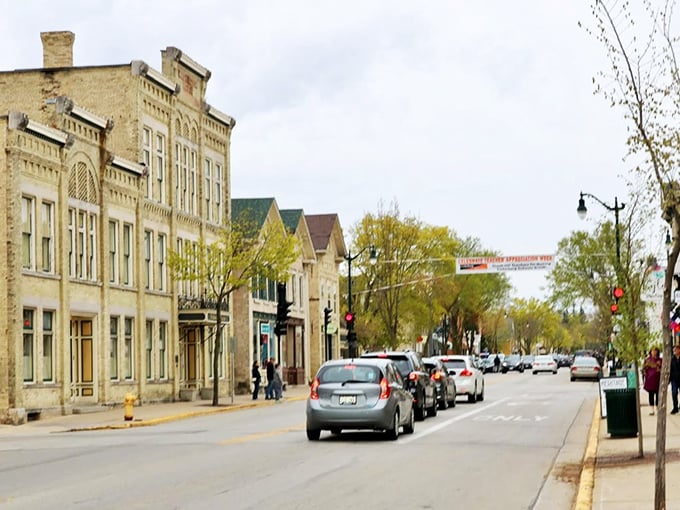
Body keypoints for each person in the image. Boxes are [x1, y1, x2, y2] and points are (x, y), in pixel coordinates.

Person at [642, 347, 662, 415]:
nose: (653, 352)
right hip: (650, 380)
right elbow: (644, 369)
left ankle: (657, 408)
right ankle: (651, 409)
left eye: (655, 351)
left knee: (658, 395)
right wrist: (645, 374)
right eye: (652, 351)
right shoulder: (647, 360)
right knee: (651, 395)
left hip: (658, 380)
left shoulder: (660, 360)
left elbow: (662, 368)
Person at [670, 345, 680, 415]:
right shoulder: (672, 359)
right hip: (674, 379)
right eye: (674, 350)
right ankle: (675, 408)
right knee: (674, 393)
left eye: (676, 350)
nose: (674, 351)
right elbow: (670, 369)